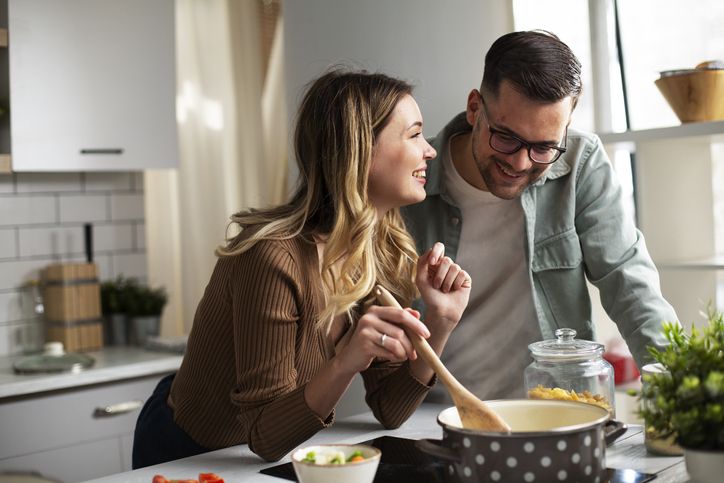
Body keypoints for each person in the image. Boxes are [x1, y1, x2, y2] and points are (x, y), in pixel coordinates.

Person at [132, 69, 471, 466]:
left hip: (260, 458)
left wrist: (442, 322)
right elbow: (265, 435)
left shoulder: (379, 250)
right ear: (360, 150)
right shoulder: (271, 257)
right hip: (188, 455)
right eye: (414, 134)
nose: (429, 150)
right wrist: (346, 360)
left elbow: (391, 410)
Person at [402, 30, 677, 404]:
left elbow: (629, 282)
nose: (519, 163)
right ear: (474, 108)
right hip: (436, 417)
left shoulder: (580, 160)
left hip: (558, 409)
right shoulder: (410, 176)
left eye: (544, 147)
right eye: (506, 138)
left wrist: (679, 391)